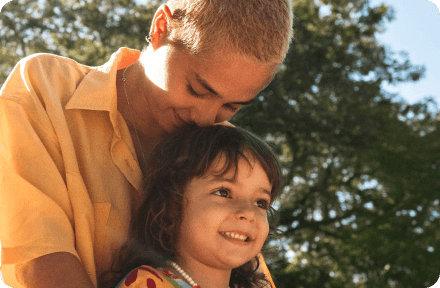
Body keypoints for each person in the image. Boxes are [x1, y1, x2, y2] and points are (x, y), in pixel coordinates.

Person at [0, 0, 292, 287]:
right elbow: (39, 255)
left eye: (231, 106)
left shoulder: (225, 152)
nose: (205, 119)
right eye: (197, 89)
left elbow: (243, 271)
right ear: (162, 27)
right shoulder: (45, 88)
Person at [99, 124, 282, 288]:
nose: (248, 212)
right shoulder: (147, 284)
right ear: (171, 206)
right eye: (223, 192)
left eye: (260, 202)